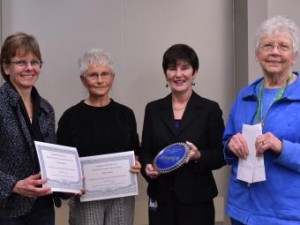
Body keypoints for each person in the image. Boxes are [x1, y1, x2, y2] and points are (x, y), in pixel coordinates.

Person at [223, 15, 300, 225]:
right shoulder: (244, 96)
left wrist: (281, 147)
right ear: (257, 55)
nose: (274, 52)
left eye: (283, 46)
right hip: (242, 211)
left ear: (293, 56)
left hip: (285, 215)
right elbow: (226, 142)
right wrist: (231, 145)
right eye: (268, 46)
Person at [139, 43, 225, 225]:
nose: (178, 74)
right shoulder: (153, 109)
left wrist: (198, 155)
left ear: (194, 73)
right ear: (165, 74)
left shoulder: (210, 109)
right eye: (172, 68)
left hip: (197, 201)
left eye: (185, 68)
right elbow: (146, 150)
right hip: (160, 199)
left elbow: (220, 155)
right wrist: (147, 167)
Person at [56, 48, 141, 225]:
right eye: (93, 75)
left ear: (113, 77)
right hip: (86, 197)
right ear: (82, 80)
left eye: (105, 74)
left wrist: (137, 164)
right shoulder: (70, 117)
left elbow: (135, 150)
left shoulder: (126, 114)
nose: (100, 80)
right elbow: (61, 163)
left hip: (121, 195)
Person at [0, 32, 58, 224]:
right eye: (21, 62)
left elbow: (53, 156)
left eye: (35, 62)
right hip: (7, 208)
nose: (29, 68)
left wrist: (71, 183)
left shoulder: (46, 109)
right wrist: (13, 185)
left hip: (42, 207)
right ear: (6, 67)